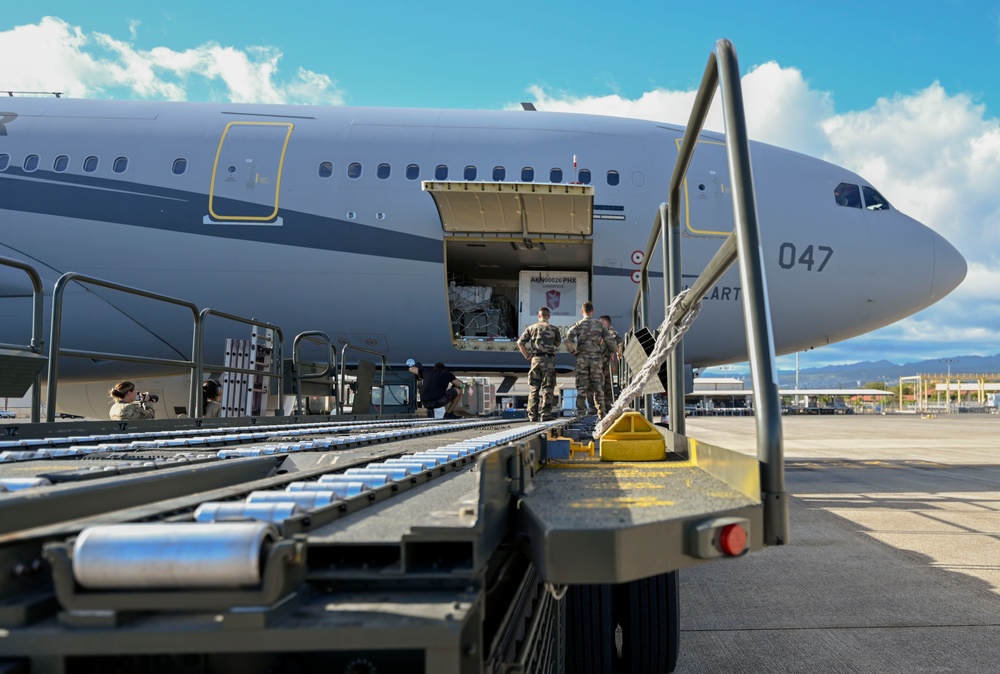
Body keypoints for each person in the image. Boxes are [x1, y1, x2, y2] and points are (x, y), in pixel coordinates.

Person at [564, 301, 613, 418]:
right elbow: (610, 341)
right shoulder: (599, 325)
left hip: (582, 358)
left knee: (582, 386)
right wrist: (618, 351)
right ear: (593, 311)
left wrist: (573, 351)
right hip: (596, 358)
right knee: (598, 386)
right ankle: (601, 412)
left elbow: (567, 340)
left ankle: (581, 413)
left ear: (582, 311)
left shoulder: (578, 324)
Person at [517, 307, 562, 422]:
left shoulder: (531, 328)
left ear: (539, 316)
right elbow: (557, 344)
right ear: (549, 316)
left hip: (535, 360)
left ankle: (532, 415)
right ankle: (545, 414)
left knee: (534, 387)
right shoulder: (554, 329)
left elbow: (520, 343)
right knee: (547, 387)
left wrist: (527, 355)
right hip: (548, 361)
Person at [597, 315, 623, 409]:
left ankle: (608, 407)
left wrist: (618, 353)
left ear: (606, 323)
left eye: (601, 322)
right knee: (600, 385)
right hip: (600, 362)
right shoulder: (601, 333)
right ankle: (602, 408)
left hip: (606, 362)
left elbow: (619, 342)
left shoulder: (611, 332)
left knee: (607, 386)